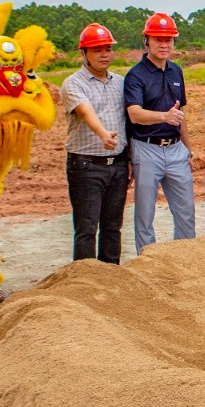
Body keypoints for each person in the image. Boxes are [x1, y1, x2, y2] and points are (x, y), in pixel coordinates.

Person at [124, 12, 196, 249]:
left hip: (176, 150)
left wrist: (188, 150)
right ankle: (148, 264)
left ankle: (183, 260)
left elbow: (180, 114)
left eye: (169, 40)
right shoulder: (136, 75)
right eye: (158, 39)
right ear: (146, 41)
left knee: (186, 212)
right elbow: (134, 113)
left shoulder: (176, 71)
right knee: (145, 215)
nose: (164, 45)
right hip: (146, 149)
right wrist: (164, 116)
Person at [61, 22, 129, 263]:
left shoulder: (120, 82)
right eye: (97, 50)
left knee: (113, 227)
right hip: (86, 166)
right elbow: (86, 111)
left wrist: (128, 159)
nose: (104, 54)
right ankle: (84, 284)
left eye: (107, 49)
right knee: (87, 228)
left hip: (118, 165)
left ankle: (110, 280)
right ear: (84, 53)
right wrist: (102, 134)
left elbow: (127, 120)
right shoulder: (73, 84)